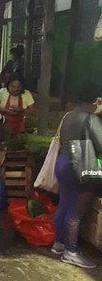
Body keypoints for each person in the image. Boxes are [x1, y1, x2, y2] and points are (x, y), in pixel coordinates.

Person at [52, 83, 102, 269]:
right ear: (96, 100)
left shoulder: (69, 115)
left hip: (64, 162)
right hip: (81, 166)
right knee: (76, 211)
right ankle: (71, 252)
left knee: (64, 204)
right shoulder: (91, 119)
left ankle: (59, 244)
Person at [0, 74, 36, 139]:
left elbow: (33, 112)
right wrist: (4, 110)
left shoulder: (26, 94)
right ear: (8, 85)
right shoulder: (2, 92)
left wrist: (21, 110)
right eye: (13, 86)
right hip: (3, 128)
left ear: (22, 87)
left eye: (18, 87)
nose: (15, 89)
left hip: (19, 128)